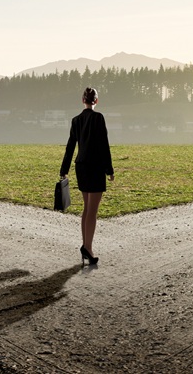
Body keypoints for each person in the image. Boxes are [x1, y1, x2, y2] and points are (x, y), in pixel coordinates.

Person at [60, 86, 114, 266]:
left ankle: (86, 246)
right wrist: (109, 169)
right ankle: (88, 248)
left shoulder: (76, 120)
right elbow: (104, 145)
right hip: (95, 166)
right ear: (96, 101)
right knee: (92, 211)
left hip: (80, 166)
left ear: (83, 100)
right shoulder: (99, 118)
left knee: (86, 208)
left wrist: (63, 169)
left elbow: (70, 147)